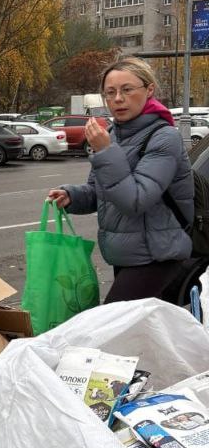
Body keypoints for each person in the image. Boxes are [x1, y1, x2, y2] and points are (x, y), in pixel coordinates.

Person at [47, 57, 194, 304]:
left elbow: (134, 200)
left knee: (110, 328)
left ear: (149, 90)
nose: (117, 99)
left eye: (127, 90)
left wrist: (105, 152)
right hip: (126, 255)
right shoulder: (113, 134)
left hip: (157, 255)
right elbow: (99, 191)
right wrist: (72, 195)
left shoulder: (164, 137)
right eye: (110, 92)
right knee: (138, 335)